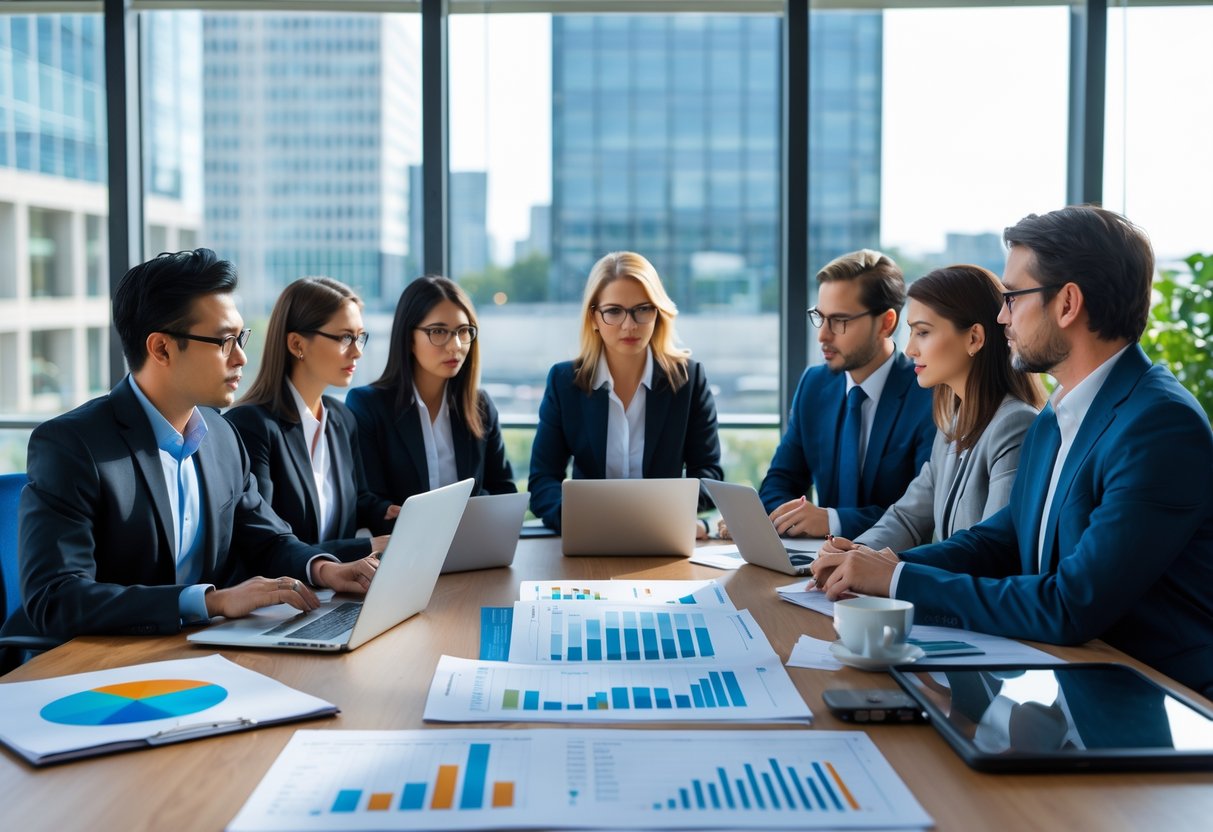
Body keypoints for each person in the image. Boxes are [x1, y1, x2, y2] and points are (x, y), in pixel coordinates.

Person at [813, 206, 1213, 698]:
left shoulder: (1158, 425)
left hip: (1157, 701)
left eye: (1012, 297)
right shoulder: (1058, 416)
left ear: (1067, 304)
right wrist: (883, 566)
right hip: (1071, 678)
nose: (1001, 315)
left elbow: (1071, 604)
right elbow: (998, 540)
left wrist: (898, 582)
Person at [6, 249, 378, 642]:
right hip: (90, 666)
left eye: (241, 338)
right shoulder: (72, 445)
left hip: (192, 653)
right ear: (161, 349)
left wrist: (325, 569)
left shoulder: (221, 437)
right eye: (225, 341)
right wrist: (210, 602)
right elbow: (56, 597)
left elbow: (267, 540)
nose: (240, 357)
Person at [825, 265, 1045, 553]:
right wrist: (855, 553)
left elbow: (989, 551)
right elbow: (907, 518)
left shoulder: (1014, 424)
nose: (909, 349)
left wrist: (887, 570)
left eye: (923, 332)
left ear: (974, 339)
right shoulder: (953, 425)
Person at [527, 251, 723, 534]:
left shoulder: (688, 380)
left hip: (662, 535)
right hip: (588, 536)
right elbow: (543, 479)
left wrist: (666, 515)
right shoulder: (564, 381)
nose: (629, 325)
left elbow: (709, 474)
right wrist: (577, 520)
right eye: (614, 311)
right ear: (594, 317)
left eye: (642, 309)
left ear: (658, 313)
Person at [755, 249, 934, 540]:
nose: (823, 335)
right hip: (815, 561)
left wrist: (833, 521)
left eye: (839, 321)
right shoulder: (814, 384)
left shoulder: (927, 394)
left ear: (886, 322)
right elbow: (779, 482)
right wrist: (790, 519)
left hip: (889, 567)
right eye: (820, 317)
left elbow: (922, 514)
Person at [225, 277, 388, 560]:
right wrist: (365, 547)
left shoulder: (342, 419)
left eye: (360, 336)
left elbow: (352, 500)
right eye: (345, 338)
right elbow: (265, 546)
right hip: (287, 598)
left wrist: (388, 512)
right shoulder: (252, 426)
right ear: (297, 343)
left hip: (343, 595)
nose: (357, 351)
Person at [346, 276, 515, 535]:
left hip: (473, 546)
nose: (455, 345)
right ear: (409, 337)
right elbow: (367, 502)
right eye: (438, 331)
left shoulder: (480, 406)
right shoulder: (368, 406)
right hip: (404, 552)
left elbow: (504, 492)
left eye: (463, 331)